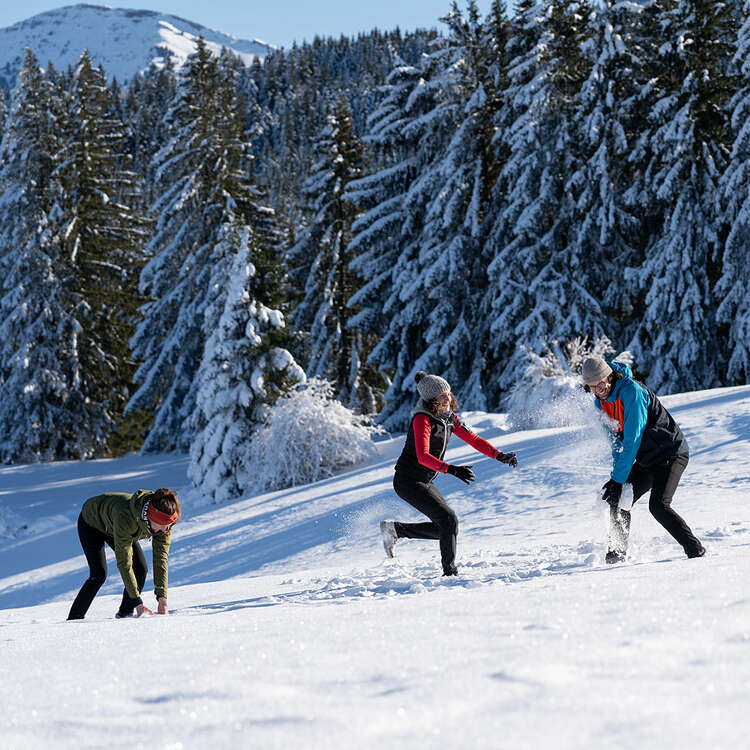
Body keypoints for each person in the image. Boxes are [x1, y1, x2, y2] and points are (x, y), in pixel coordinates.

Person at [379, 371, 518, 576]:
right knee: (449, 521)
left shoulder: (449, 418)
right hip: (407, 481)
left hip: (424, 480)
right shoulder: (422, 420)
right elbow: (422, 456)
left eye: (449, 393)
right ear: (431, 399)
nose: (448, 397)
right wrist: (451, 469)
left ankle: (396, 530)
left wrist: (499, 455)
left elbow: (474, 439)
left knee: (446, 526)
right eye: (443, 395)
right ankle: (450, 573)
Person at [581, 356, 705, 563]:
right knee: (618, 499)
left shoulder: (632, 392)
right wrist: (616, 480)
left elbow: (632, 439)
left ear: (609, 376)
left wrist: (619, 480)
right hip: (647, 459)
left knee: (658, 506)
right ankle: (615, 557)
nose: (598, 390)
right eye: (592, 386)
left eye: (600, 383)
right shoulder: (599, 403)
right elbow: (616, 445)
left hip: (670, 453)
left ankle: (696, 551)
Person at [67, 488, 181, 620]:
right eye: (160, 525)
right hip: (91, 522)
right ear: (148, 517)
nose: (163, 530)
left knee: (140, 568)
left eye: (167, 525)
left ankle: (125, 614)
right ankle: (74, 619)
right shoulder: (125, 516)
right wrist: (137, 602)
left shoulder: (165, 526)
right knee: (99, 574)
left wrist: (162, 598)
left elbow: (161, 559)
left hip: (114, 525)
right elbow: (124, 563)